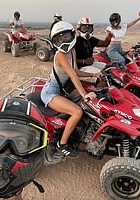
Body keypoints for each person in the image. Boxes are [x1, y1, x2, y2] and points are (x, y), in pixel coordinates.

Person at [41, 21, 100, 157]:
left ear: (72, 35)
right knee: (77, 112)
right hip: (51, 92)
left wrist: (93, 74)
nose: (63, 42)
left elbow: (75, 71)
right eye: (59, 39)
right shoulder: (60, 55)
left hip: (63, 89)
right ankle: (61, 144)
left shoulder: (72, 51)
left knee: (89, 103)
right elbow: (73, 76)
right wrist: (84, 94)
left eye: (66, 37)